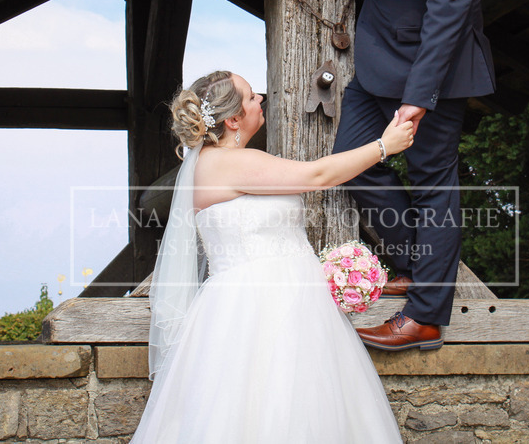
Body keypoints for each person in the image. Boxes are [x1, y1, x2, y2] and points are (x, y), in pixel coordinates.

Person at [131, 70, 413, 443]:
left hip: (297, 304)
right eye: (250, 97)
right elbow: (317, 176)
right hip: (256, 311)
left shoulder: (227, 161)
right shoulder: (227, 163)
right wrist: (383, 146)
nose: (260, 100)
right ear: (232, 119)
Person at [332, 0, 496, 351]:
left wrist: (418, 100)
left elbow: (448, 18)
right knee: (354, 164)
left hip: (432, 75)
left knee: (433, 187)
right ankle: (408, 262)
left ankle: (424, 315)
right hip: (377, 62)